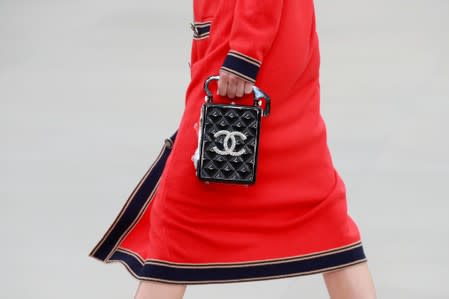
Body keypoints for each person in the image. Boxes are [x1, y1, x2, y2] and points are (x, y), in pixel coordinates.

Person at [88, 0, 377, 298]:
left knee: (180, 210)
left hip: (249, 41)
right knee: (317, 205)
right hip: (271, 34)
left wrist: (244, 55)